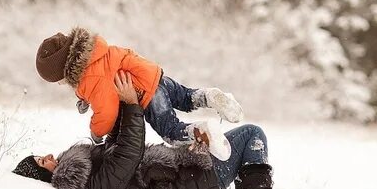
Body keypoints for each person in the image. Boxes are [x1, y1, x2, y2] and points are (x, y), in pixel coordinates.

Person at [13, 72, 273, 189]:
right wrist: (131, 104)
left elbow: (118, 145)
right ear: (42, 177)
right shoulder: (83, 182)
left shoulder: (86, 172)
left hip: (185, 173)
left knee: (245, 140)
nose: (48, 156)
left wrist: (109, 102)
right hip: (191, 185)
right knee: (253, 135)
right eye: (41, 162)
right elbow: (130, 152)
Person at [34, 27, 244, 146]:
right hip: (153, 75)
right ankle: (210, 96)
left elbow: (107, 112)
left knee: (171, 131)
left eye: (59, 81)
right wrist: (85, 98)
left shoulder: (90, 77)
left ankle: (201, 131)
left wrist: (96, 133)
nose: (63, 85)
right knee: (186, 98)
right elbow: (106, 78)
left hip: (147, 94)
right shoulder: (96, 53)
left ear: (64, 70)